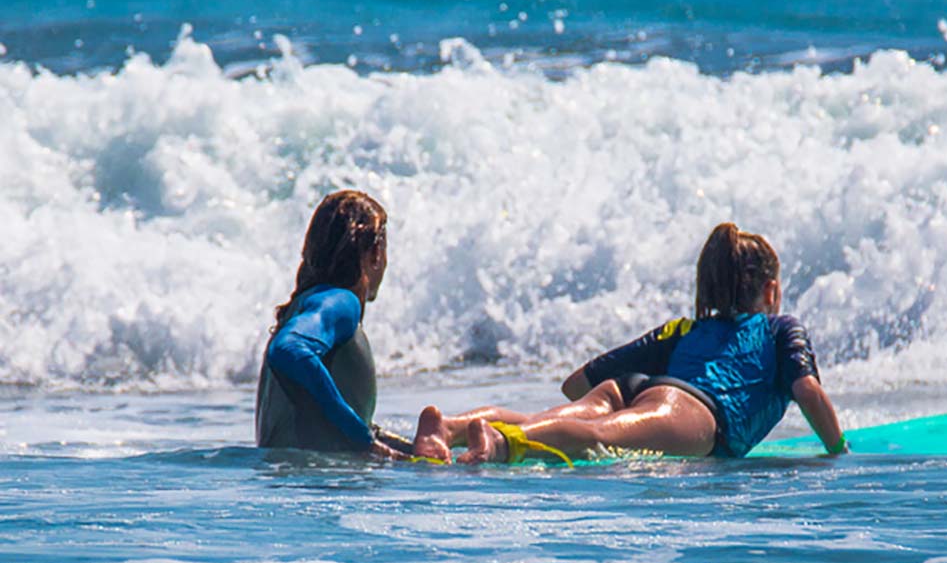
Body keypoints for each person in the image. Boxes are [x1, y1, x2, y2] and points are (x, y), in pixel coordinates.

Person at [412, 222, 847, 466]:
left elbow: (578, 383)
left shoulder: (683, 330)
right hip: (692, 410)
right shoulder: (779, 328)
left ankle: (448, 428)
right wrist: (836, 450)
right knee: (596, 437)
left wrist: (633, 409)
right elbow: (807, 390)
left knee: (554, 420)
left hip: (631, 387)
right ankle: (501, 443)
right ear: (770, 291)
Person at [255, 189, 409, 458]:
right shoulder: (340, 301)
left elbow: (328, 424)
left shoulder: (303, 306)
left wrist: (408, 451)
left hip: (286, 489)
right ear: (375, 253)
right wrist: (363, 439)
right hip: (319, 487)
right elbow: (288, 348)